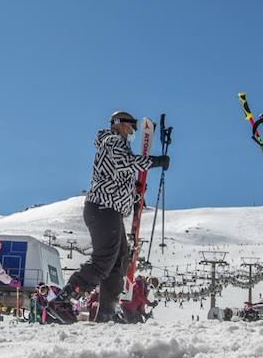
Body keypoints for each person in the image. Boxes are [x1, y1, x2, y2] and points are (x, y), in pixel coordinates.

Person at [45, 111, 170, 324]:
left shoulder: (116, 145)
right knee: (104, 260)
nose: (133, 132)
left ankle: (108, 311)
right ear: (120, 124)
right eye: (131, 127)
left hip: (111, 211)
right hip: (103, 209)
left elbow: (119, 172)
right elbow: (126, 163)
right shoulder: (113, 141)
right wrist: (155, 161)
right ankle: (63, 300)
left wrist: (134, 192)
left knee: (119, 262)